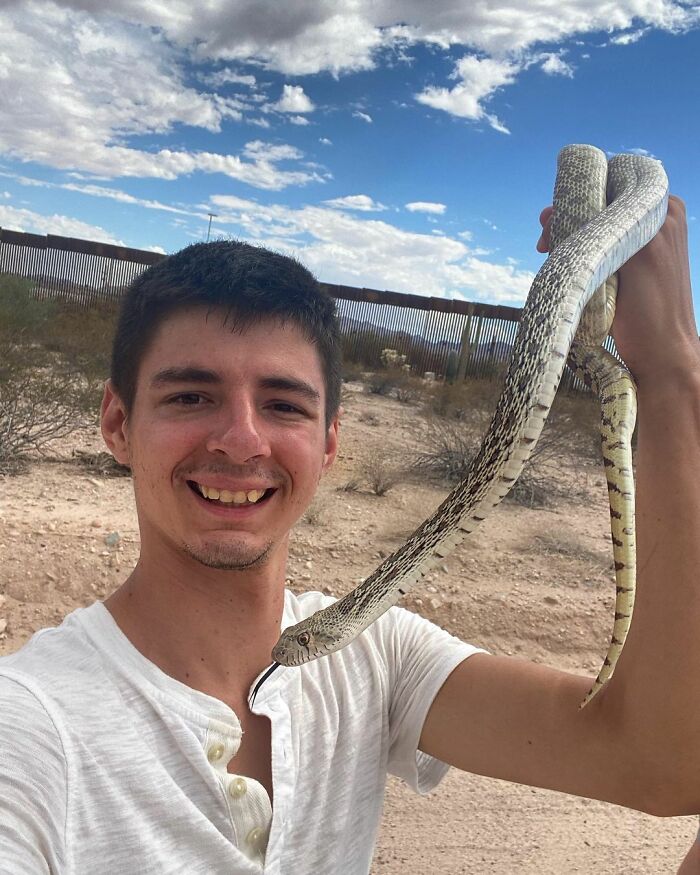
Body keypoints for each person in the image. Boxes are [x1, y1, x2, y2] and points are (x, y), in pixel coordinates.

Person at [0, 192, 698, 873]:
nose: (242, 440)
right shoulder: (30, 727)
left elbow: (662, 762)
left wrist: (672, 373)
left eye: (282, 405)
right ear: (118, 424)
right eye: (191, 396)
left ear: (329, 445)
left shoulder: (375, 654)